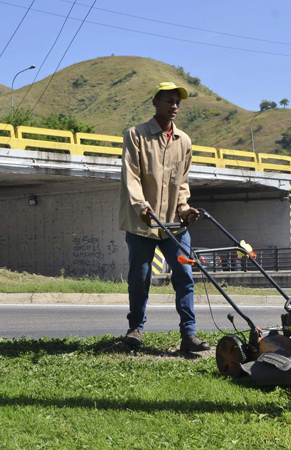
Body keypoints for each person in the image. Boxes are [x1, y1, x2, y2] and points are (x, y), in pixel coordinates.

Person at [119, 81, 209, 353]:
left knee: (184, 275)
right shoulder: (136, 135)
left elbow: (182, 183)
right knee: (140, 278)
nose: (174, 107)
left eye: (177, 102)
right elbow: (131, 176)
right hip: (142, 223)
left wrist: (185, 209)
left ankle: (189, 335)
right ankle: (135, 328)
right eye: (169, 101)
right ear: (155, 102)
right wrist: (141, 207)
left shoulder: (184, 141)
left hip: (175, 225)